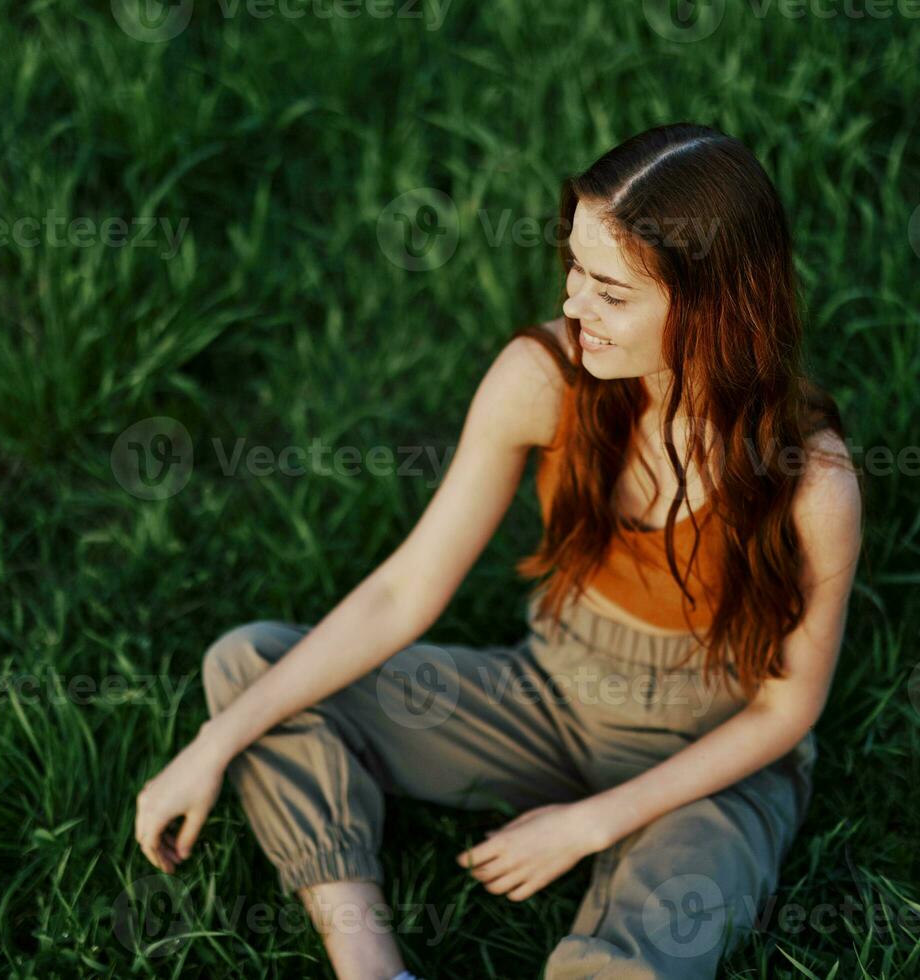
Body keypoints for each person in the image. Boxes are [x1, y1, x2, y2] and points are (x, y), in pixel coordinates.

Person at [134, 122, 863, 980]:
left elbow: (784, 712)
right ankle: (372, 967)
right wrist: (214, 744)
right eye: (574, 268)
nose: (572, 306)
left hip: (718, 758)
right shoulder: (541, 379)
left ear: (711, 305)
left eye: (609, 291)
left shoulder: (810, 482)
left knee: (643, 959)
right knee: (251, 672)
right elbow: (403, 591)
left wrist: (589, 823)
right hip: (553, 695)